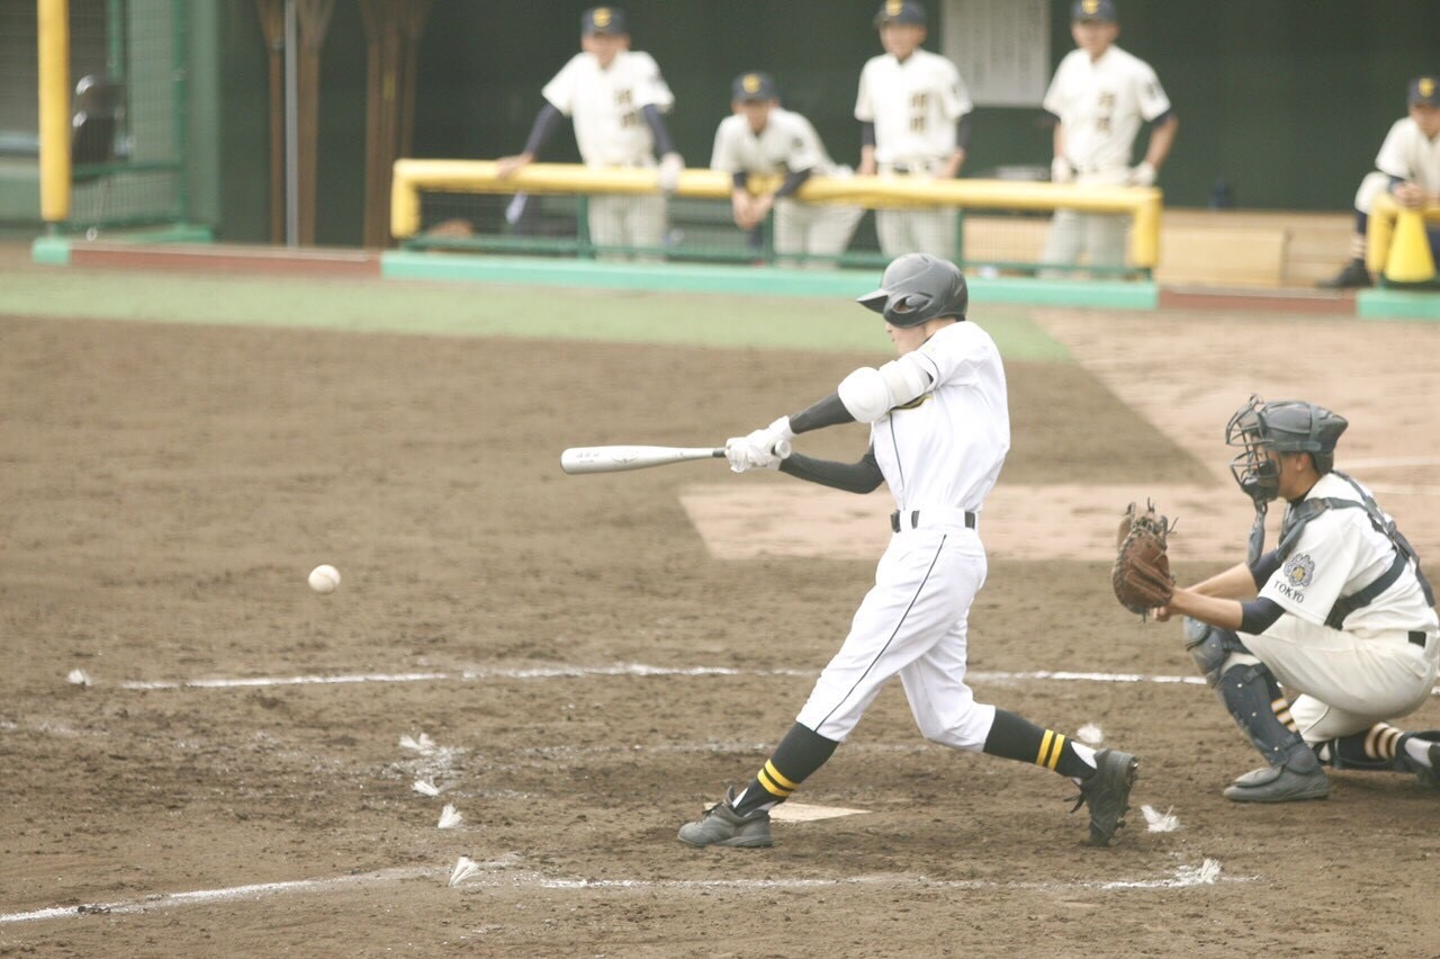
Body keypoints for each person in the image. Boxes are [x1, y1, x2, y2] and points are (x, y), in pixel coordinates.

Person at [677, 254, 1139, 849]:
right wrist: (780, 460)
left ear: (916, 307)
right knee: (946, 716)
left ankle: (749, 808)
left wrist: (784, 427)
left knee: (847, 680)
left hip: (938, 549)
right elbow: (864, 478)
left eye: (889, 310)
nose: (886, 325)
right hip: (922, 551)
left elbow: (873, 390)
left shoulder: (966, 345)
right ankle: (1094, 768)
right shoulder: (908, 392)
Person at [1154, 396, 1439, 802]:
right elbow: (1271, 565)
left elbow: (1262, 617)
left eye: (1264, 449)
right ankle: (1419, 752)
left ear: (1300, 459)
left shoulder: (1330, 524)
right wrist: (1188, 593)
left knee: (1213, 627)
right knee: (1299, 735)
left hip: (1388, 665)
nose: (1256, 460)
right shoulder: (1330, 489)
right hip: (1395, 655)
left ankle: (1293, 770)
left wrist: (1180, 602)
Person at [495, 7, 682, 258]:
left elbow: (651, 111)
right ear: (585, 41)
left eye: (610, 37)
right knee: (608, 258)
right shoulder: (579, 67)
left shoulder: (638, 63)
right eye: (597, 37)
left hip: (638, 174)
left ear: (624, 40)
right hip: (599, 178)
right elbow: (551, 112)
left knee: (647, 257)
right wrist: (528, 155)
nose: (602, 44)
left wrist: (669, 154)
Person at [1040, 0, 1177, 274]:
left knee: (1105, 272)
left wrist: (1149, 167)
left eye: (1098, 25)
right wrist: (1060, 159)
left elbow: (1166, 121)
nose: (1091, 32)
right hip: (1071, 181)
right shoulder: (1070, 64)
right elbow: (1061, 119)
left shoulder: (1134, 70)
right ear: (1074, 29)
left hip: (1109, 180)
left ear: (1113, 29)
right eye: (1084, 24)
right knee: (1052, 268)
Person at [854, 1, 972, 260]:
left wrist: (952, 166)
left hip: (929, 174)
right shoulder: (874, 69)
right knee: (896, 264)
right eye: (887, 28)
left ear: (920, 32)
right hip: (889, 176)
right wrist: (867, 160)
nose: (893, 35)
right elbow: (868, 120)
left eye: (902, 27)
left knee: (937, 264)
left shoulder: (939, 68)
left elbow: (964, 119)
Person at [710, 71, 864, 265]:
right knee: (785, 266)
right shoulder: (730, 128)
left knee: (818, 268)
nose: (753, 110)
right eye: (747, 104)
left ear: (773, 104)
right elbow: (735, 167)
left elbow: (803, 172)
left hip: (829, 204)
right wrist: (739, 195)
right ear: (736, 106)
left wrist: (766, 201)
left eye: (759, 103)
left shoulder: (792, 125)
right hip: (789, 204)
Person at [1320, 75, 1440, 289]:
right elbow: (1394, 177)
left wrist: (1428, 197)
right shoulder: (1404, 130)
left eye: (1432, 108)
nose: (1424, 116)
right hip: (1417, 220)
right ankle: (1360, 266)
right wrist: (1400, 190)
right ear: (1410, 108)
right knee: (1373, 183)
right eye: (1418, 108)